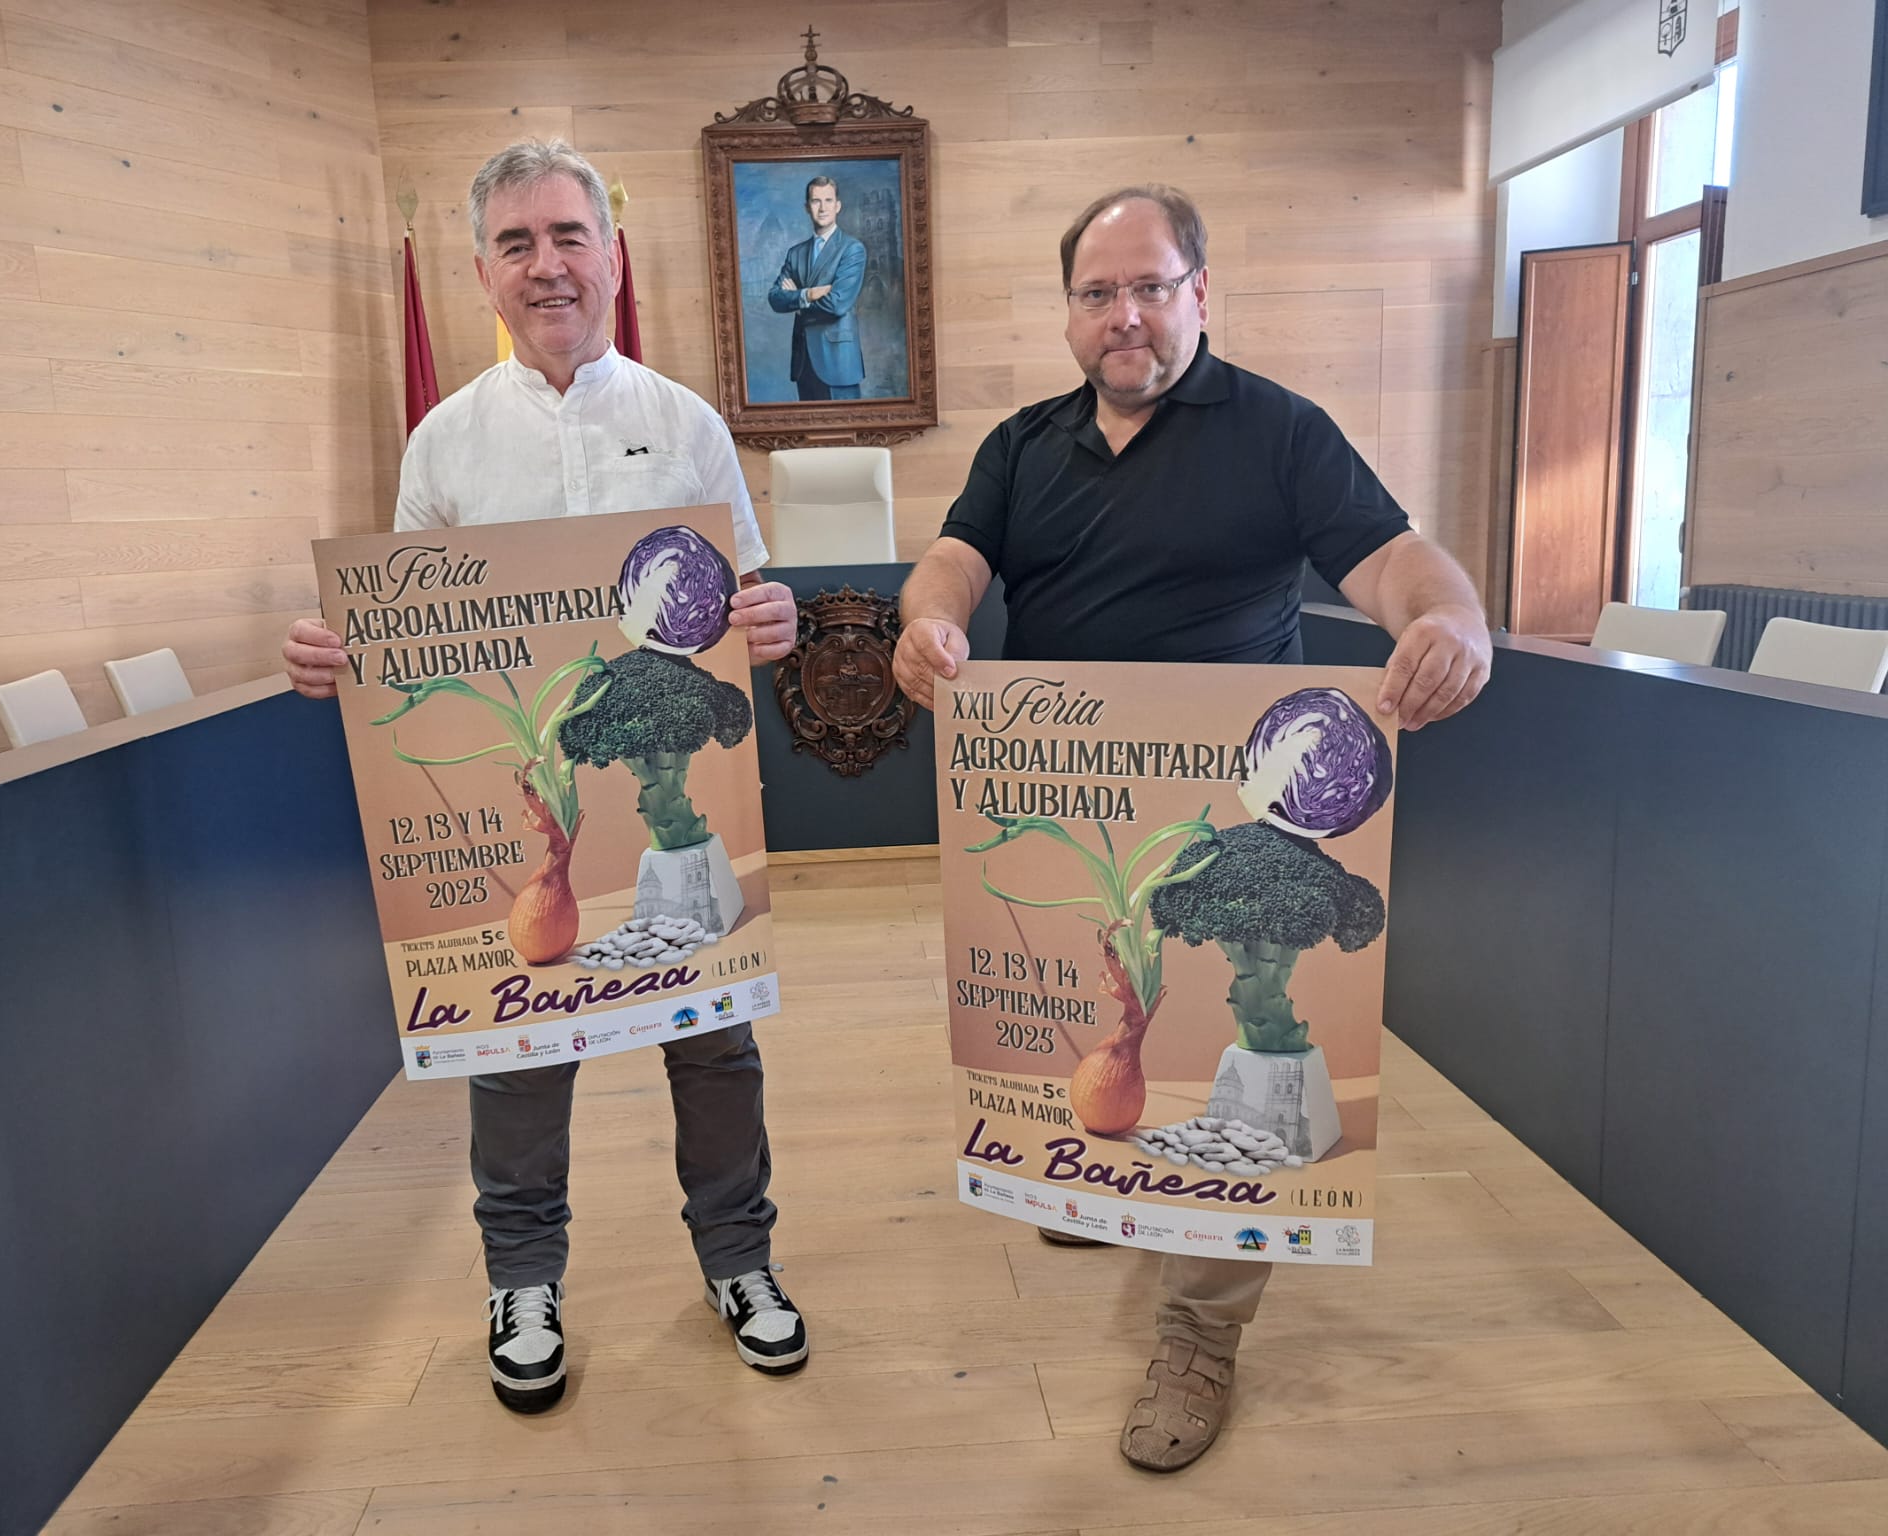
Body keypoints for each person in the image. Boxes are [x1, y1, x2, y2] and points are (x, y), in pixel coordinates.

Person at [893, 185, 1492, 1473]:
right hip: (1066, 803)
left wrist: (1451, 621)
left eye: (1150, 287)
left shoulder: (1281, 432)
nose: (1125, 316)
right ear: (1068, 312)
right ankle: (1096, 1187)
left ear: (1198, 296)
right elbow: (952, 557)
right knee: (1104, 1027)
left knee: (1249, 1043)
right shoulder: (1020, 444)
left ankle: (1198, 1331)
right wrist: (925, 618)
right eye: (1098, 293)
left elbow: (1393, 563)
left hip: (1235, 818)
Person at [282, 140, 808, 1416]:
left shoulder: (685, 423)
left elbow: (738, 597)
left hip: (676, 797)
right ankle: (523, 1277)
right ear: (480, 273)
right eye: (517, 244)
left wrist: (768, 617)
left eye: (569, 235)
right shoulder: (444, 443)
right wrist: (340, 656)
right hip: (534, 814)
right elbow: (407, 635)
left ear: (611, 257)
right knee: (516, 1042)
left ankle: (738, 1260)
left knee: (713, 1040)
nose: (548, 264)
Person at [766, 174, 867, 401]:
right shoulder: (796, 253)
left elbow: (837, 304)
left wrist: (798, 302)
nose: (822, 208)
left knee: (846, 433)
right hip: (804, 363)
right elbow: (775, 298)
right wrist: (808, 294)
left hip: (838, 363)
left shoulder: (852, 249)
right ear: (806, 207)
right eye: (816, 201)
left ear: (838, 206)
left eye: (828, 200)